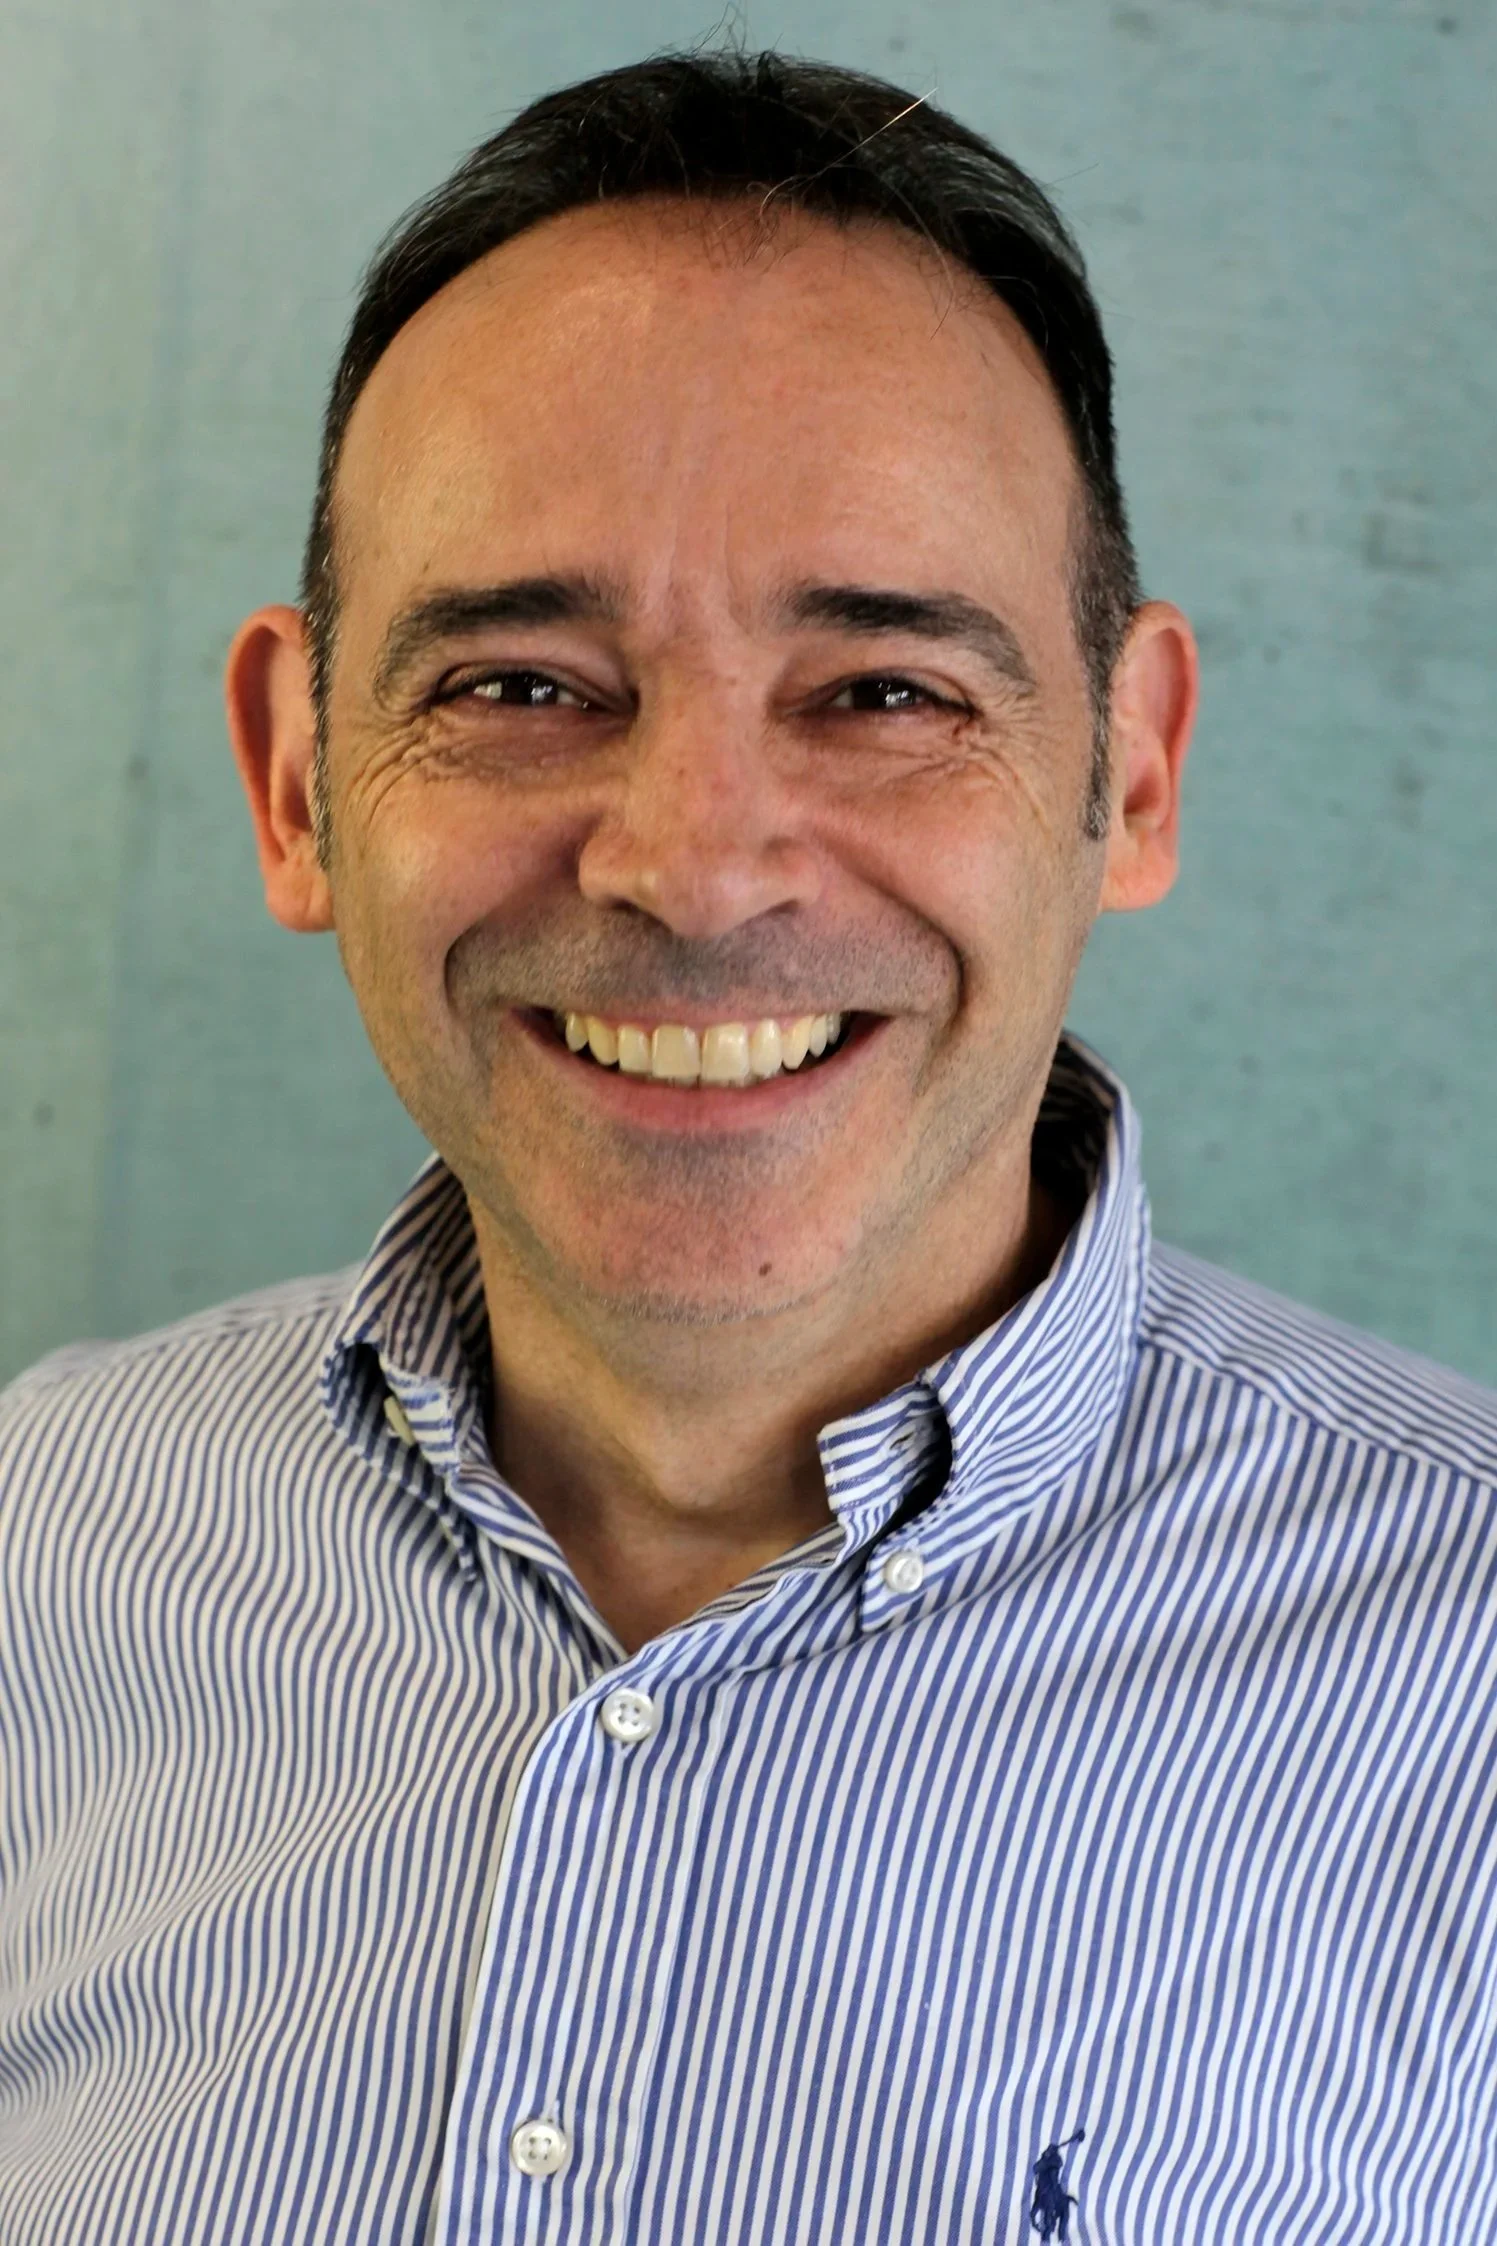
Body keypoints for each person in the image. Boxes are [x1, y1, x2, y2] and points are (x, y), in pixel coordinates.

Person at [2, 48, 1493, 2246]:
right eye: (520, 682)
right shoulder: (38, 1558)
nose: (695, 866)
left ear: (1134, 774)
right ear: (300, 778)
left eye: (886, 692)